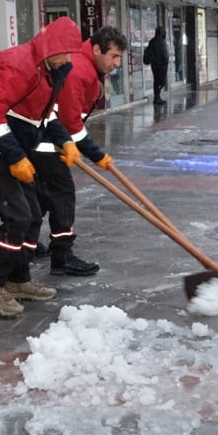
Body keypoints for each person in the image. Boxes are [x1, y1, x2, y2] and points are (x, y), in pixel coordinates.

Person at [0, 16, 83, 317]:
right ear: (52, 47)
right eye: (67, 52)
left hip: (10, 146)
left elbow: (46, 116)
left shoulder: (48, 71)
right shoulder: (20, 64)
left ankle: (17, 280)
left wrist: (65, 142)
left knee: (32, 214)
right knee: (17, 216)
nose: (69, 59)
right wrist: (15, 158)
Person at [31, 26, 127, 277]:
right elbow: (70, 123)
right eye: (114, 56)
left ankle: (25, 244)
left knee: (41, 195)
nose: (117, 63)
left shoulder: (86, 67)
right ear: (97, 49)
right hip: (48, 142)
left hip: (47, 140)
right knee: (62, 195)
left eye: (119, 58)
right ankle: (62, 256)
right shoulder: (79, 70)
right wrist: (97, 155)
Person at [144, 26, 169, 105]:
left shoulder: (152, 41)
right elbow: (165, 55)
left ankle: (157, 97)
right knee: (161, 81)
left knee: (156, 81)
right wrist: (166, 61)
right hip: (161, 65)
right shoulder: (161, 42)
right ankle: (157, 97)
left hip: (154, 65)